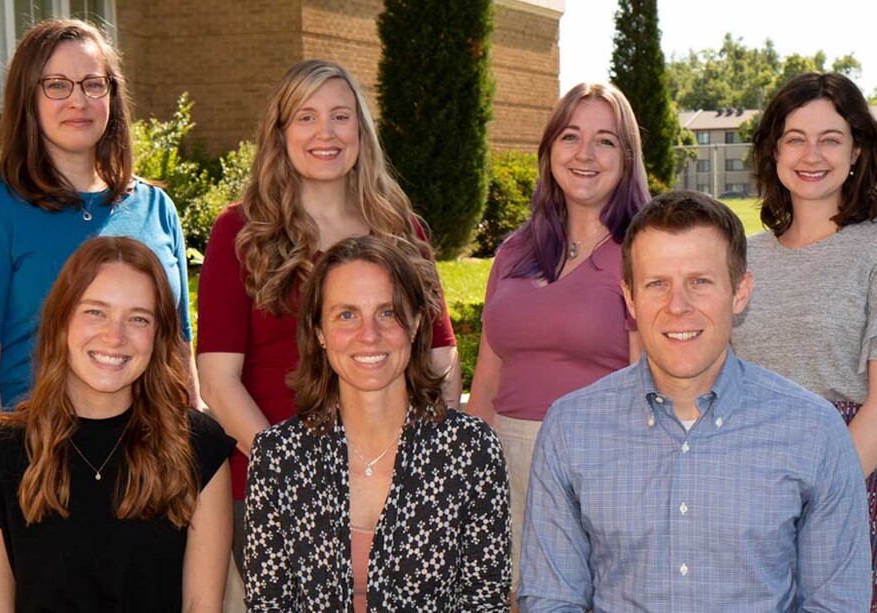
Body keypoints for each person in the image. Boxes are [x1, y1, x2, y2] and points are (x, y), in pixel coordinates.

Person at [518, 190, 871, 611]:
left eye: (700, 282)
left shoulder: (814, 430)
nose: (677, 306)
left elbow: (836, 603)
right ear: (629, 298)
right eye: (657, 284)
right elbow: (551, 599)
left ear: (740, 292)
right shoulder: (571, 428)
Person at [196, 59, 459, 575]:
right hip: (277, 486)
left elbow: (440, 358)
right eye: (306, 117)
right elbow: (218, 380)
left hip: (394, 486)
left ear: (360, 131)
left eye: (341, 116)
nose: (326, 133)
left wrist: (427, 466)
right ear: (281, 132)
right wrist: (293, 468)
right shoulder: (242, 233)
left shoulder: (400, 230)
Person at [733, 72, 877, 610]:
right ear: (774, 151)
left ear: (857, 151)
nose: (812, 154)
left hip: (850, 473)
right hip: (745, 477)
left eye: (830, 138)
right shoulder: (743, 256)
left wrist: (808, 500)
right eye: (795, 137)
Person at [0, 236, 234, 612]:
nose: (115, 337)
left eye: (138, 318)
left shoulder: (199, 447)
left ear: (159, 335)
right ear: (61, 320)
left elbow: (202, 606)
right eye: (95, 312)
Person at [0, 19, 196, 444]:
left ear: (112, 96)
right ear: (28, 97)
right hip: (39, 460)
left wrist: (193, 459)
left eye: (92, 84)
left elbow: (178, 353)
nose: (77, 100)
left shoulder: (156, 209)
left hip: (150, 463)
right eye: (57, 85)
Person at [242, 236, 510, 611]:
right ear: (319, 331)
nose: (369, 335)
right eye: (346, 315)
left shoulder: (470, 451)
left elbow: (484, 603)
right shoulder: (278, 456)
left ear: (416, 323)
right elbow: (269, 604)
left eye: (387, 313)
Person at [465, 82, 648, 581]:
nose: (585, 154)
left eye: (605, 141)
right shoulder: (514, 252)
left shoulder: (642, 252)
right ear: (549, 152)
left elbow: (646, 380)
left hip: (600, 463)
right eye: (570, 137)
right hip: (507, 461)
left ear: (627, 157)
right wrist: (474, 472)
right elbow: (487, 376)